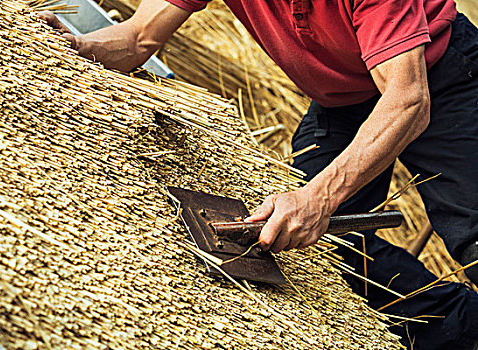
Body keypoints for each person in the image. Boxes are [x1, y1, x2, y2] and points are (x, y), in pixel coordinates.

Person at [40, 0, 478, 348]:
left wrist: (320, 198)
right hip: (343, 99)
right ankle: (461, 326)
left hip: (438, 79)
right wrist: (81, 49)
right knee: (323, 253)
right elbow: (138, 37)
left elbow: (407, 101)